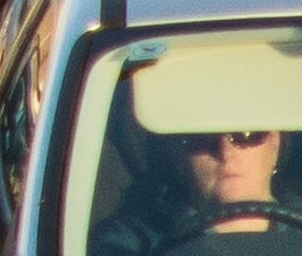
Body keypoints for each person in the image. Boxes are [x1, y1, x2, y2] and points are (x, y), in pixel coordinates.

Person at [109, 103, 299, 256]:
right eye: (202, 137)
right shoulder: (131, 242)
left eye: (246, 134)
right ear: (177, 156)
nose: (225, 152)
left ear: (275, 144)